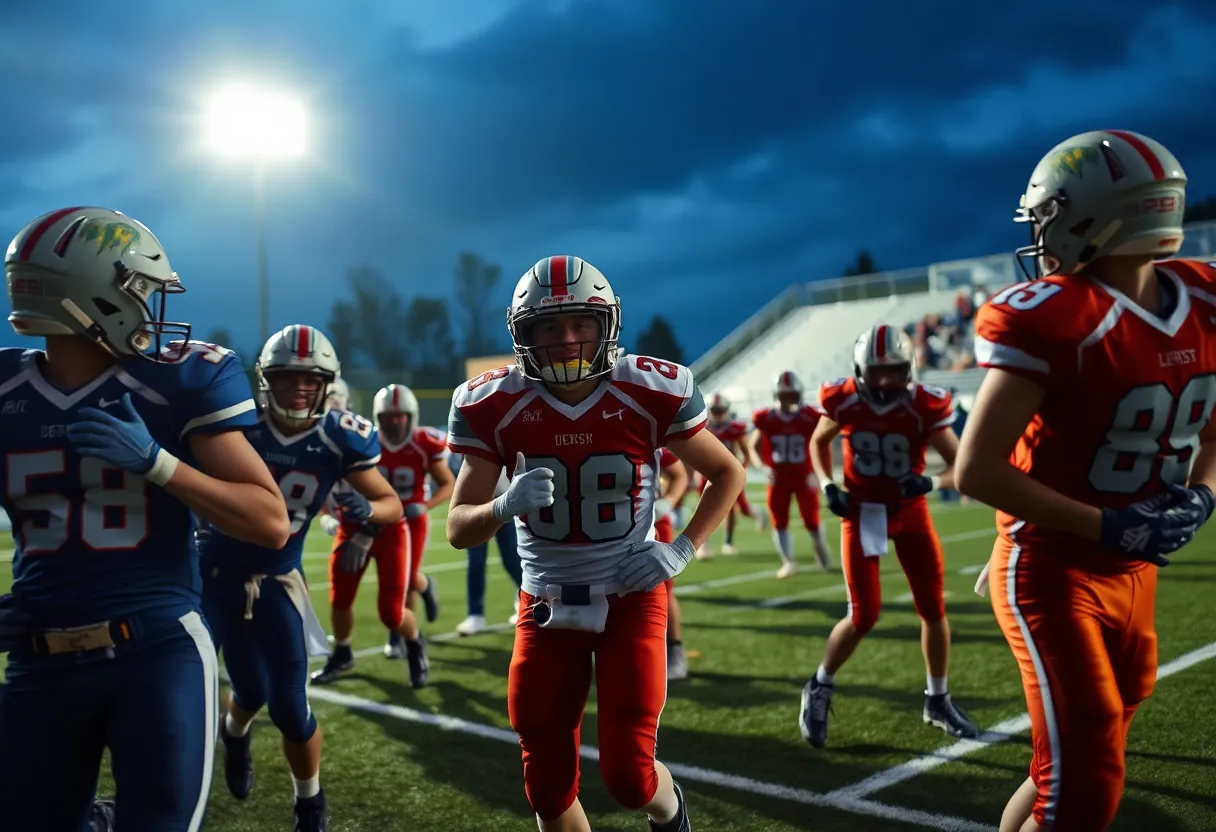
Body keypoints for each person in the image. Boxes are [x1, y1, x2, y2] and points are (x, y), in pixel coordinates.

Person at [955, 129, 1215, 832]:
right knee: (1088, 783)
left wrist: (1204, 489)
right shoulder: (1052, 313)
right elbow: (975, 468)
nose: (1040, 231)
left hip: (1133, 563)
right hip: (1055, 565)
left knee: (1080, 759)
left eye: (1047, 213)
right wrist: (1109, 524)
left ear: (1099, 213)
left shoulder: (1204, 298)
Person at [0, 206, 290, 832]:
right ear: (91, 294)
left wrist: (160, 465)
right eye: (138, 286)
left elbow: (270, 521)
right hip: (37, 655)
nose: (150, 303)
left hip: (154, 648)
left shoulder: (180, 380)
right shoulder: (6, 392)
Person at [446, 255, 745, 832]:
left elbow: (726, 473)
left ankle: (673, 810)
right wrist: (504, 505)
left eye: (581, 323)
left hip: (629, 594)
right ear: (522, 334)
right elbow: (459, 527)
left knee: (631, 778)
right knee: (547, 788)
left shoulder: (650, 388)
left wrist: (681, 549)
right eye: (548, 327)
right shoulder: (491, 402)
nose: (567, 339)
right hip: (544, 601)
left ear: (605, 323)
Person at [198, 324, 402, 831]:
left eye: (311, 379)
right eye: (288, 378)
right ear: (266, 380)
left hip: (276, 582)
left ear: (327, 381)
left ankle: (309, 801)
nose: (299, 389)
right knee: (214, 692)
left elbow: (390, 503)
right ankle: (233, 736)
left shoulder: (338, 437)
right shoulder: (236, 425)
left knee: (289, 705)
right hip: (210, 578)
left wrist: (368, 511)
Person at [800, 325, 978, 749]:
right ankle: (819, 686)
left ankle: (937, 699)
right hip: (861, 512)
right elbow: (817, 442)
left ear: (910, 368)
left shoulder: (922, 405)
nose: (884, 382)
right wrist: (827, 483)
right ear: (860, 371)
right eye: (876, 373)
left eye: (893, 371)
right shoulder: (842, 399)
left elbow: (962, 465)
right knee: (864, 614)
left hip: (909, 511)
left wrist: (932, 484)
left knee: (933, 608)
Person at [312, 383, 448, 686]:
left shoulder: (360, 437)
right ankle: (343, 651)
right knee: (340, 597)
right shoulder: (312, 439)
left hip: (390, 527)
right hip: (352, 526)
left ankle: (413, 642)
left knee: (391, 611)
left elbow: (390, 501)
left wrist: (419, 506)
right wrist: (324, 516)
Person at [749, 371, 833, 576]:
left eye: (791, 394)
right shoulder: (766, 417)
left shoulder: (810, 416)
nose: (788, 399)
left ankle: (818, 543)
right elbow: (753, 446)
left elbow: (823, 445)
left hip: (803, 475)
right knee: (779, 521)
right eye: (784, 394)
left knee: (811, 520)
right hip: (778, 477)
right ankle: (788, 561)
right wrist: (763, 467)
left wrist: (820, 474)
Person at [454, 453, 524, 636]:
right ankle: (475, 614)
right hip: (475, 506)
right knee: (476, 561)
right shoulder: (469, 438)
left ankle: (525, 598)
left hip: (504, 501)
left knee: (511, 558)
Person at [695, 392, 764, 558]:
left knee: (736, 509)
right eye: (715, 410)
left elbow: (747, 452)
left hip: (729, 474)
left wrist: (741, 469)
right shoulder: (703, 427)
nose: (718, 414)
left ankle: (729, 541)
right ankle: (704, 545)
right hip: (707, 472)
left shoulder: (734, 429)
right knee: (705, 509)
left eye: (720, 410)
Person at [654, 448, 692, 680]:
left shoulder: (643, 429)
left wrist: (666, 502)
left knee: (664, 590)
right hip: (600, 531)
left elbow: (678, 474)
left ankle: (674, 649)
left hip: (651, 524)